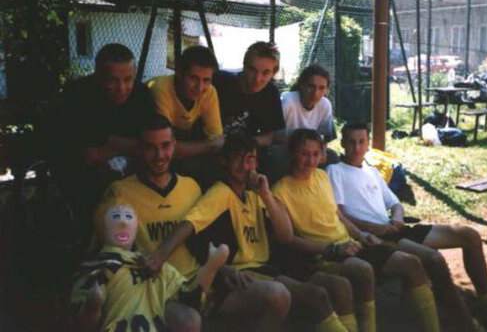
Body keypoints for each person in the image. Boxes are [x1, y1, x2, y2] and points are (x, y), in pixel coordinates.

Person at [95, 115, 291, 331]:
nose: (159, 155)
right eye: (151, 148)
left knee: (277, 295)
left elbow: (200, 241)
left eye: (165, 146)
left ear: (175, 146)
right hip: (154, 287)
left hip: (200, 282)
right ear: (140, 149)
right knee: (189, 322)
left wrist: (223, 269)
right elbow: (110, 252)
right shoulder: (120, 192)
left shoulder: (191, 187)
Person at [146, 133, 356, 332]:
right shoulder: (221, 192)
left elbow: (285, 235)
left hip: (265, 268)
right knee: (297, 295)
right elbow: (190, 223)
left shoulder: (256, 195)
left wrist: (265, 194)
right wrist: (160, 254)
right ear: (224, 161)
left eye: (250, 159)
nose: (245, 166)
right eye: (238, 159)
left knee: (323, 292)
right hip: (239, 273)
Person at [329, 123, 487, 330]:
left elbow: (395, 203)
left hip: (394, 229)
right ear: (342, 143)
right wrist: (375, 229)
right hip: (374, 237)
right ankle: (464, 323)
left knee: (469, 235)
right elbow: (341, 214)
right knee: (434, 259)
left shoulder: (371, 170)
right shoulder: (335, 171)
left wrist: (398, 219)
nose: (357, 147)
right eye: (351, 142)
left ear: (368, 144)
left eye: (361, 141)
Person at [272, 129, 442, 332]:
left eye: (315, 154)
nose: (310, 161)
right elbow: (289, 239)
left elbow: (338, 216)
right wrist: (332, 249)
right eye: (304, 154)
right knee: (362, 270)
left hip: (350, 244)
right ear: (293, 153)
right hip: (323, 254)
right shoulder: (280, 190)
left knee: (410, 262)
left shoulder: (321, 176)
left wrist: (361, 235)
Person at [50, 43, 155, 246]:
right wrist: (128, 146)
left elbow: (151, 143)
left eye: (128, 79)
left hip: (132, 170)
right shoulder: (77, 95)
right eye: (113, 80)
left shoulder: (142, 95)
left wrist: (114, 144)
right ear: (98, 76)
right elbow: (85, 154)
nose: (122, 88)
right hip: (85, 175)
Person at [72, 203, 229, 332]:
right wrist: (92, 307)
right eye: (116, 217)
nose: (123, 223)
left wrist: (209, 270)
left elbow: (189, 296)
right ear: (103, 228)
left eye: (128, 217)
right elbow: (80, 322)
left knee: (190, 317)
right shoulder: (99, 265)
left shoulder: (154, 264)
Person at [148, 45, 224, 187]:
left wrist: (209, 146)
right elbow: (165, 149)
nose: (200, 87)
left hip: (181, 137)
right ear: (179, 73)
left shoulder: (210, 92)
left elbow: (217, 141)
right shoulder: (160, 89)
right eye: (193, 78)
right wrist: (208, 146)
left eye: (206, 80)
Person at [213, 41, 286, 182]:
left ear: (274, 73)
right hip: (214, 146)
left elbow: (270, 136)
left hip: (247, 149)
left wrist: (245, 145)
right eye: (253, 70)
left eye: (266, 73)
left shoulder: (270, 93)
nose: (257, 79)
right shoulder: (221, 82)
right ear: (244, 66)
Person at [281, 64, 335, 142]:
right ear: (301, 85)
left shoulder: (325, 105)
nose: (315, 93)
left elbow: (326, 137)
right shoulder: (287, 101)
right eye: (311, 86)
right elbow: (272, 135)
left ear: (326, 90)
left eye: (321, 88)